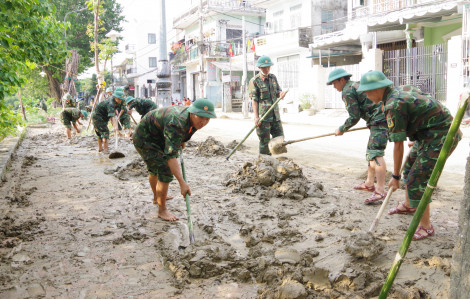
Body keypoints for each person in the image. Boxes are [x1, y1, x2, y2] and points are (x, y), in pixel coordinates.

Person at [357, 70, 462, 240]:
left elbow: (398, 146)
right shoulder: (399, 91)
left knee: (416, 179)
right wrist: (418, 129)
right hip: (428, 132)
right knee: (410, 168)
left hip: (442, 135)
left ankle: (426, 226)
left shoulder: (393, 105)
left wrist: (396, 177)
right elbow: (422, 104)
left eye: (368, 92)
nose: (367, 96)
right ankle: (409, 205)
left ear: (378, 88)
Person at [132, 98, 216, 221]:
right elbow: (170, 156)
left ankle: (157, 197)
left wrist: (181, 140)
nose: (203, 122)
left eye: (207, 119)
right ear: (192, 113)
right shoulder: (177, 122)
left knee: (157, 167)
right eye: (200, 117)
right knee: (164, 169)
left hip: (160, 135)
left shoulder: (194, 120)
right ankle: (162, 210)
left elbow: (184, 133)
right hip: (145, 138)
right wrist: (182, 183)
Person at [327, 68, 388, 204]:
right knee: (371, 152)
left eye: (334, 83)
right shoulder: (355, 85)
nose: (334, 86)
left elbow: (354, 116)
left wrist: (342, 128)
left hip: (379, 120)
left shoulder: (347, 91)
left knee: (376, 153)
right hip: (378, 119)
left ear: (342, 80)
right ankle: (369, 183)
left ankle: (380, 190)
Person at [248, 55, 287, 155]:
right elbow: (254, 100)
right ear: (259, 68)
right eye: (264, 67)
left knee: (279, 140)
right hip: (264, 117)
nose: (266, 69)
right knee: (265, 143)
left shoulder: (273, 78)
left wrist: (281, 94)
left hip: (275, 115)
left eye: (268, 67)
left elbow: (278, 91)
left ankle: (278, 162)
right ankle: (265, 164)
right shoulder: (254, 81)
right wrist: (256, 117)